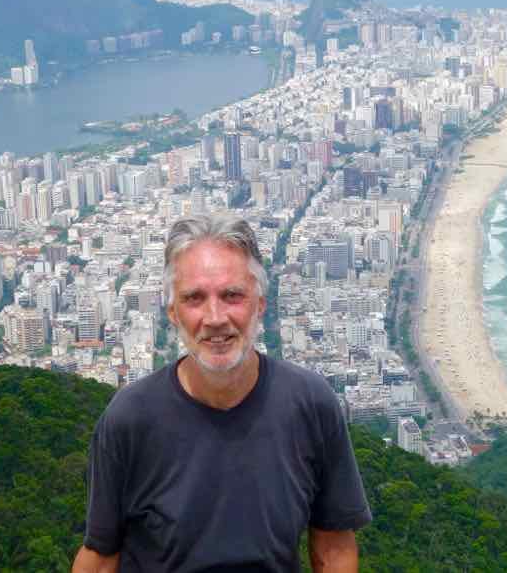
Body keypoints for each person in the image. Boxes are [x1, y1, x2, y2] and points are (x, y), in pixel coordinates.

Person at [73, 214, 371, 572]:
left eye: (232, 295)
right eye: (194, 298)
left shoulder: (309, 404)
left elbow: (334, 549)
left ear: (260, 303)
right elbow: (102, 557)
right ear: (173, 313)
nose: (215, 317)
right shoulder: (130, 419)